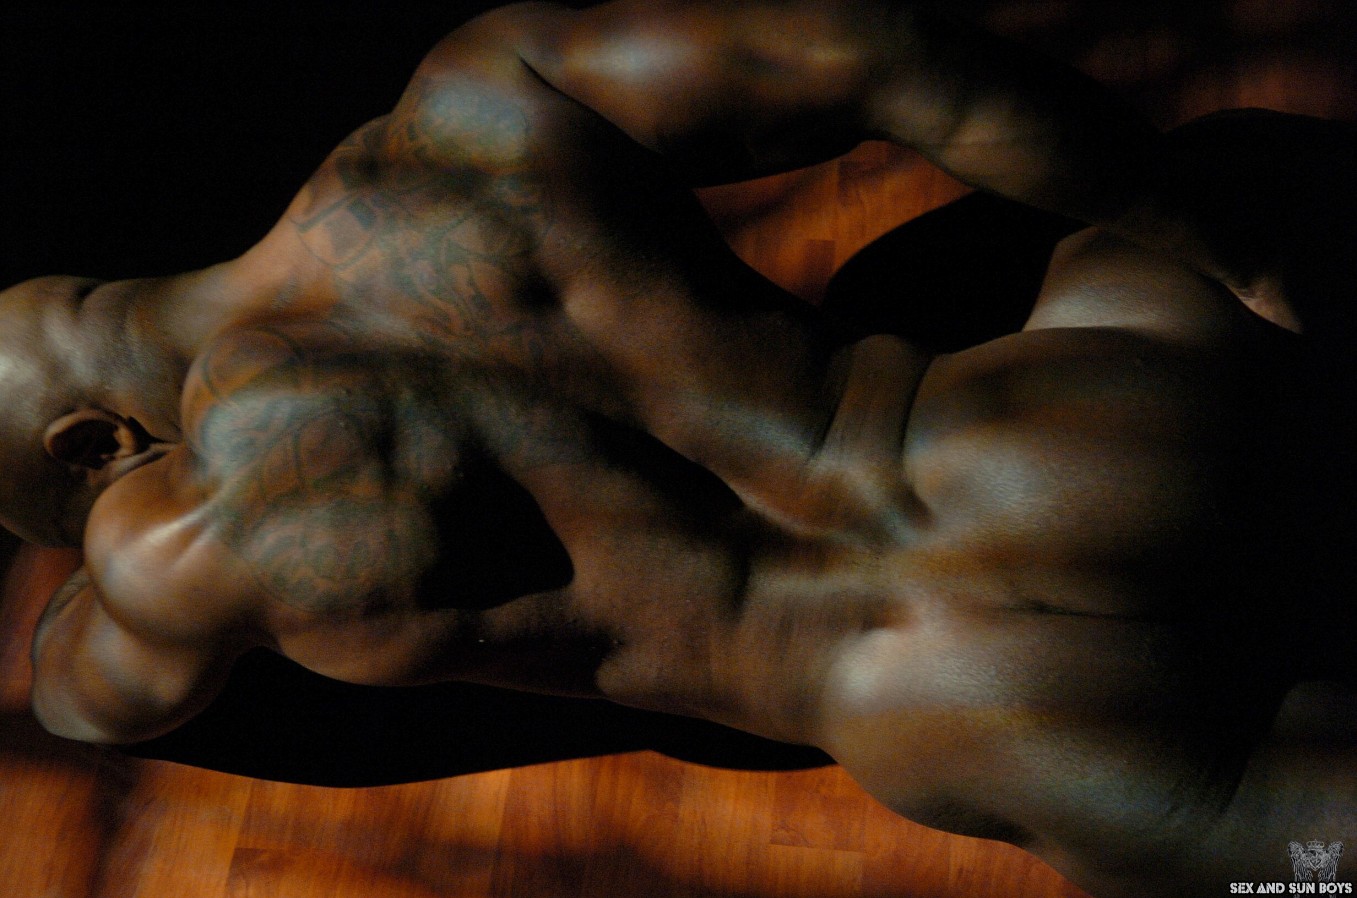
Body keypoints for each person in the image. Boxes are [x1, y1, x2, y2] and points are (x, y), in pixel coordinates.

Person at [6, 2, 1354, 895]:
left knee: (1307, 861)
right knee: (1237, 161)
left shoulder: (171, 555)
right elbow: (878, 51)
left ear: (95, 442)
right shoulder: (472, 110)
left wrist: (99, 533)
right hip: (1037, 447)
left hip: (949, 705)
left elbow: (80, 697)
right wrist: (1228, 250)